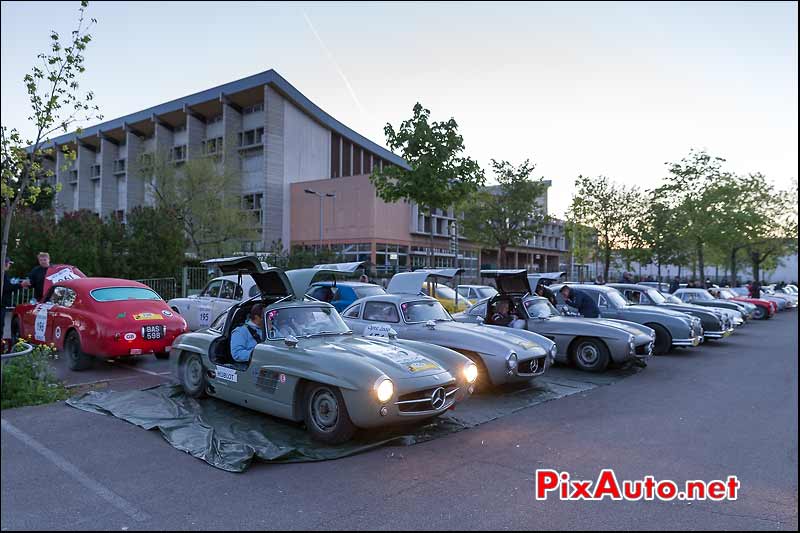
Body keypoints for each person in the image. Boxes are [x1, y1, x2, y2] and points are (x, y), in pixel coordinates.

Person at [2, 258, 24, 339]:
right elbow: (6, 287)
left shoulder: (4, 274)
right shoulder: (3, 274)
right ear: (5, 264)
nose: (10, 266)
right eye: (9, 264)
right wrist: (20, 285)